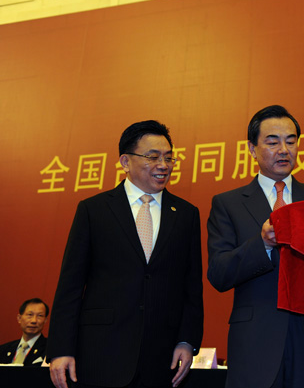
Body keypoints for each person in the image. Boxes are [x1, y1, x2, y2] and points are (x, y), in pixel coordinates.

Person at [47, 120, 203, 388]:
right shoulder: (93, 210)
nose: (163, 165)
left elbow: (191, 286)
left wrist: (187, 340)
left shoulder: (186, 214)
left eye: (169, 158)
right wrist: (61, 348)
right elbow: (70, 285)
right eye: (153, 157)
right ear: (125, 161)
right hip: (101, 352)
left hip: (161, 356)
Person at [207, 105, 304, 388]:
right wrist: (262, 244)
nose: (284, 150)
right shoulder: (228, 204)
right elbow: (219, 273)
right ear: (252, 148)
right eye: (272, 142)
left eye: (291, 141)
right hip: (258, 342)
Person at [0, 298, 49, 366]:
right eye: (30, 315)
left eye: (40, 316)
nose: (34, 321)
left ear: (45, 320)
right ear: (19, 318)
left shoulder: (50, 349)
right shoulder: (3, 350)